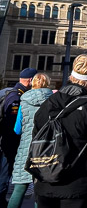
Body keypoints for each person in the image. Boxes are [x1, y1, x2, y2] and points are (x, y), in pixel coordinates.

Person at [32, 55, 87, 208]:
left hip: (45, 180)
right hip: (76, 184)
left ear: (71, 76)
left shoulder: (48, 103)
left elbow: (35, 142)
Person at [8, 72, 52, 208]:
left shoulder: (24, 100)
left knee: (19, 189)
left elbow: (17, 129)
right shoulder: (53, 101)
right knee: (41, 192)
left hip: (26, 149)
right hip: (46, 149)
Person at [0, 67, 36, 206]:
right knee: (4, 175)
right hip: (7, 143)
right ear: (31, 80)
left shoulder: (9, 92)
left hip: (4, 141)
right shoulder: (17, 96)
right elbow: (12, 125)